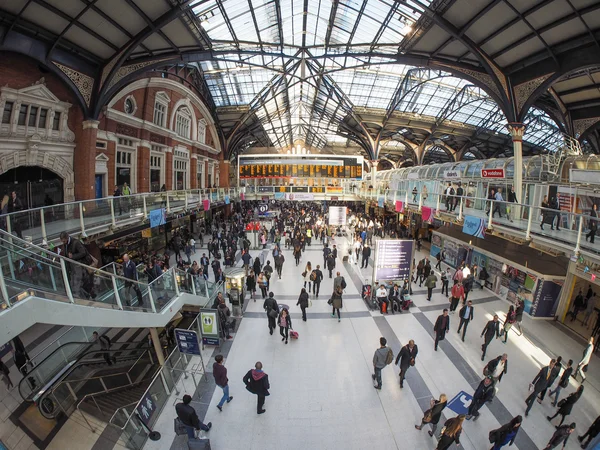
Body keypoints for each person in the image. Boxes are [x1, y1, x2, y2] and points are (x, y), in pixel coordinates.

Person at [60, 231, 93, 299]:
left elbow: (83, 252)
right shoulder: (65, 244)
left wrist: (73, 256)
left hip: (79, 265)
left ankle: (76, 294)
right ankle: (77, 294)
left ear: (66, 238)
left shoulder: (76, 242)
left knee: (77, 279)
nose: (63, 242)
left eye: (64, 241)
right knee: (73, 280)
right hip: (72, 266)